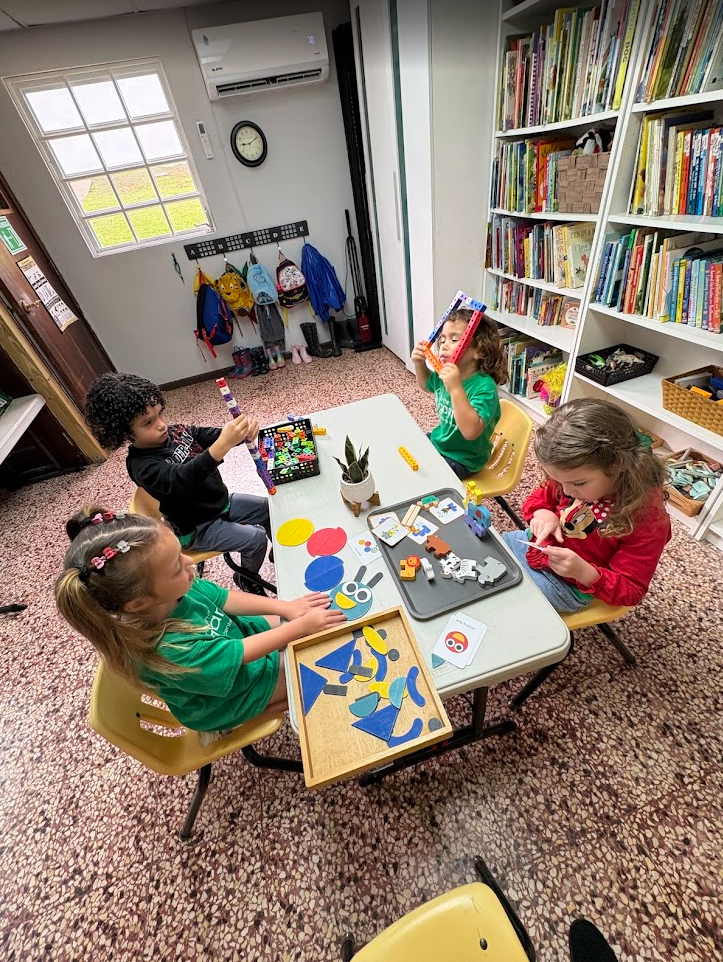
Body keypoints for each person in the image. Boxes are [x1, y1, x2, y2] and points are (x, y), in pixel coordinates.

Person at [55, 507, 347, 741]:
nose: (189, 562)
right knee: (314, 671)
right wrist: (299, 628)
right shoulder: (166, 649)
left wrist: (287, 608)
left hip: (232, 646)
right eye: (176, 566)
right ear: (138, 603)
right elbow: (238, 655)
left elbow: (225, 599)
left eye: (180, 553)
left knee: (302, 626)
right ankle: (236, 719)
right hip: (226, 696)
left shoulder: (172, 589)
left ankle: (278, 694)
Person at [85, 372, 270, 578]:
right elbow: (184, 478)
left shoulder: (176, 431)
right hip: (197, 528)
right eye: (148, 422)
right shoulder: (141, 466)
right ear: (123, 432)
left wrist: (240, 435)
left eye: (160, 414)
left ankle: (280, 550)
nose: (161, 424)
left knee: (268, 509)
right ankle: (247, 577)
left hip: (221, 504)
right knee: (255, 539)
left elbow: (211, 436)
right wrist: (223, 444)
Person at [503, 398, 671, 612]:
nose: (566, 491)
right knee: (487, 550)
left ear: (617, 464)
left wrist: (583, 572)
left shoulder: (647, 519)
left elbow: (631, 590)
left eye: (578, 483)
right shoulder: (572, 474)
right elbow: (540, 498)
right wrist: (543, 513)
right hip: (536, 546)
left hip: (568, 585)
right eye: (558, 481)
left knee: (509, 603)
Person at [411, 309, 506, 479]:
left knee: (423, 477)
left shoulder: (485, 387)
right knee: (408, 450)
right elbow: (426, 384)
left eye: (454, 340)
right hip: (440, 441)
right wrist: (419, 364)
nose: (444, 345)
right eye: (442, 340)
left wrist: (456, 389)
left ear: (480, 350)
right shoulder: (445, 373)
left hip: (463, 459)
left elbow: (470, 431)